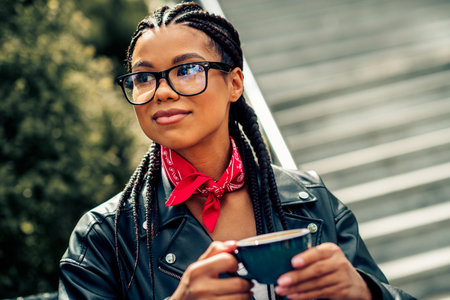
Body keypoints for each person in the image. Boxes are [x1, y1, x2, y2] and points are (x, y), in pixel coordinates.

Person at [58, 2, 416, 300]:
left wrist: (368, 292)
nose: (163, 91)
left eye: (186, 70)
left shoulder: (312, 201)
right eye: (144, 77)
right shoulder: (104, 237)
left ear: (234, 84)